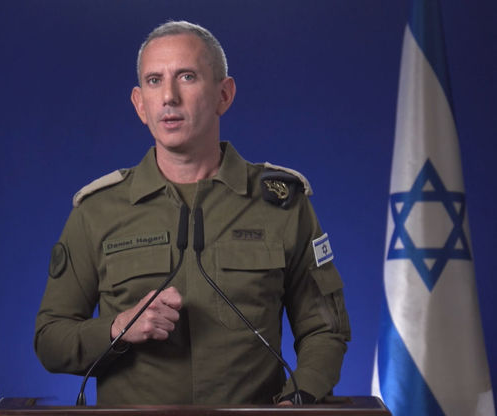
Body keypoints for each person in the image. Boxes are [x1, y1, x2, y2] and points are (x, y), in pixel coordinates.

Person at [34, 20, 350, 406]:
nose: (169, 97)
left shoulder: (281, 205)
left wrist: (298, 400)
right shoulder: (97, 211)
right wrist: (118, 328)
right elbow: (50, 338)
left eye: (187, 77)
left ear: (224, 95)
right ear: (140, 104)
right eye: (154, 81)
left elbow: (325, 330)